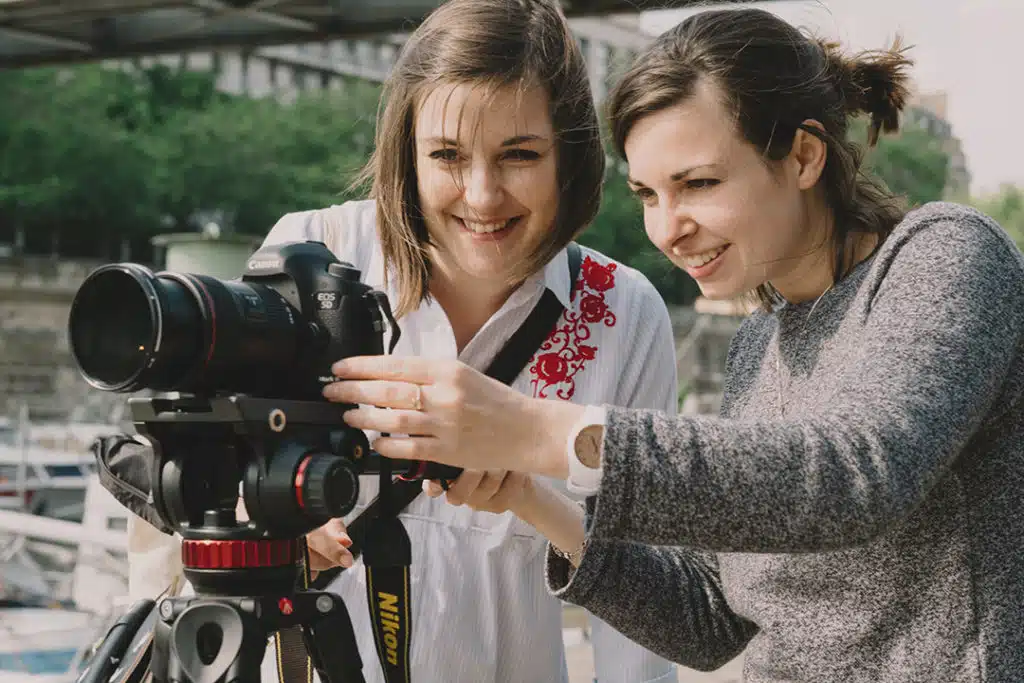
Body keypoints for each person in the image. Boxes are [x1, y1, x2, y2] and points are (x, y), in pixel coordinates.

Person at [320, 6, 1024, 683]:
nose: (668, 230)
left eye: (698, 184)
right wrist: (532, 498)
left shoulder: (947, 256)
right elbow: (708, 618)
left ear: (804, 156)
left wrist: (537, 427)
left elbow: (854, 475)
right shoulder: (760, 346)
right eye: (648, 194)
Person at [122, 0, 682, 681]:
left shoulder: (625, 312)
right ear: (405, 151)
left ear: (570, 154)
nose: (482, 195)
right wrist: (267, 527)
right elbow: (197, 473)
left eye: (520, 155)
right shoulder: (313, 253)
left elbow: (639, 603)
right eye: (447, 155)